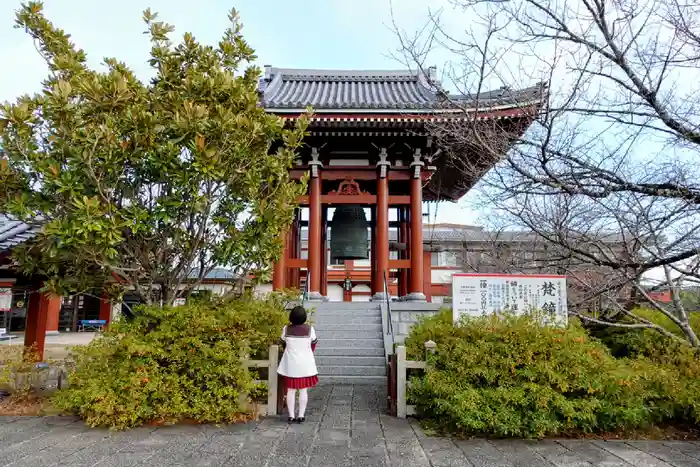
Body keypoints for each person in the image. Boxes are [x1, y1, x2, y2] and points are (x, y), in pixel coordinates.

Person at [277, 305, 319, 423]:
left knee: (290, 390)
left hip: (290, 365)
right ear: (304, 317)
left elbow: (282, 343)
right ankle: (301, 415)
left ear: (291, 317)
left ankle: (291, 415)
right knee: (303, 390)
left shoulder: (286, 329)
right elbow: (314, 344)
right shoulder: (310, 329)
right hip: (305, 364)